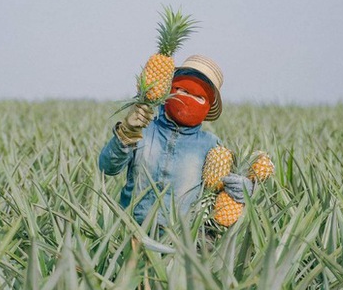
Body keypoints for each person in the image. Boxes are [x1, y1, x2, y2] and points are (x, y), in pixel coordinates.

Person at [98, 55, 251, 231]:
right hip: (129, 233)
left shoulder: (211, 145)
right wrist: (126, 131)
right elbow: (107, 168)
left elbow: (219, 193)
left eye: (199, 97)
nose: (188, 98)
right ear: (169, 89)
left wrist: (243, 190)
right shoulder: (143, 129)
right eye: (183, 91)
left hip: (180, 243)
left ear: (208, 106)